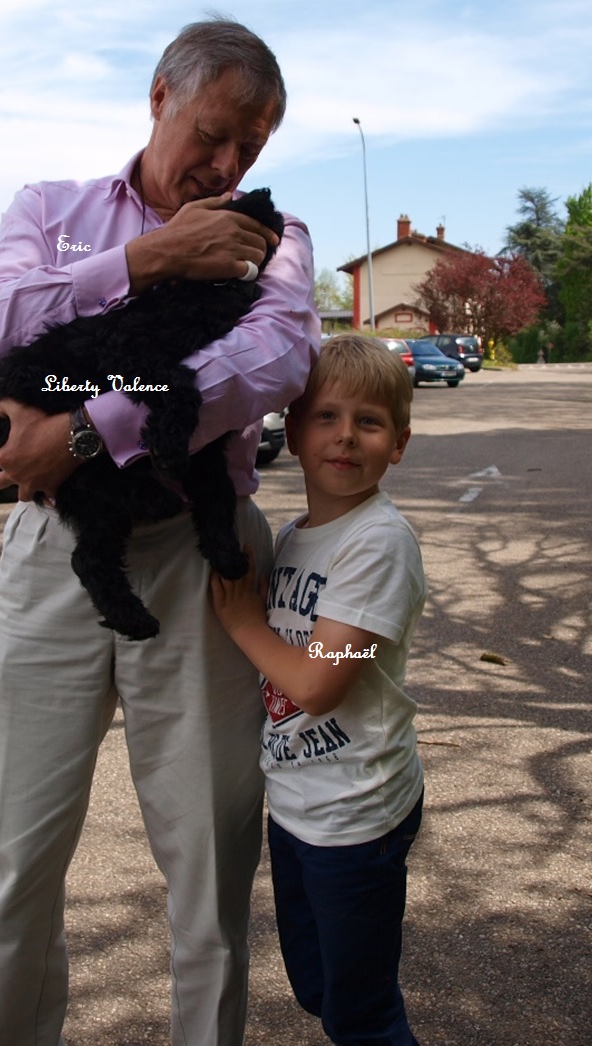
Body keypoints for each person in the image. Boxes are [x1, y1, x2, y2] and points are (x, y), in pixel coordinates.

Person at [0, 17, 319, 1046]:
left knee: (207, 864)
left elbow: (274, 354)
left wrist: (83, 428)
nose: (225, 165)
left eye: (249, 149)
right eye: (211, 134)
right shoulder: (50, 208)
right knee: (14, 857)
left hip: (203, 556)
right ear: (159, 96)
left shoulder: (273, 236)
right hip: (51, 552)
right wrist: (151, 257)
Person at [210, 334, 426, 1045]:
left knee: (362, 1016)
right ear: (294, 433)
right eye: (326, 417)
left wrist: (243, 620)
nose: (345, 437)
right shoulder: (297, 536)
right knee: (318, 987)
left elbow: (320, 683)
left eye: (368, 422)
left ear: (397, 442)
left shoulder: (379, 544)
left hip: (356, 813)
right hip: (299, 803)